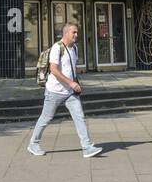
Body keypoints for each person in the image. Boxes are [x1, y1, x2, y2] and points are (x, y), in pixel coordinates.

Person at [28, 22, 103, 158]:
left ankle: (87, 147)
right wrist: (71, 83)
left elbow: (71, 69)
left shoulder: (74, 48)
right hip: (54, 92)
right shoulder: (57, 48)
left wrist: (74, 84)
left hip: (69, 93)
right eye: (73, 32)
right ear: (66, 33)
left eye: (76, 32)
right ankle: (33, 143)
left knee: (79, 117)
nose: (76, 35)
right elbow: (54, 70)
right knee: (46, 118)